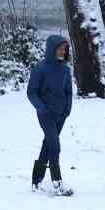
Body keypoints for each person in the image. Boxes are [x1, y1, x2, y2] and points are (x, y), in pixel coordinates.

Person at [26, 34, 74, 196]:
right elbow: (31, 92)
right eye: (60, 48)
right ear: (51, 49)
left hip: (61, 115)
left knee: (48, 145)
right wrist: (42, 109)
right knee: (55, 145)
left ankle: (36, 182)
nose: (62, 51)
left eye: (65, 49)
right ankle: (57, 182)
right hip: (45, 115)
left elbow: (68, 92)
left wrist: (67, 109)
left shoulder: (65, 70)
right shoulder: (40, 69)